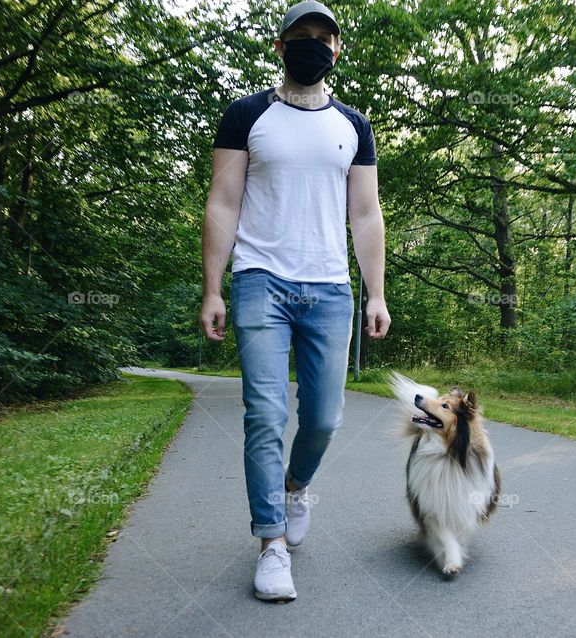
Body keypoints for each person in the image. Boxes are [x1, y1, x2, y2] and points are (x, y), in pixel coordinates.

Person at [198, 0, 390, 602]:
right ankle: (272, 544)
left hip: (331, 289)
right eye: (300, 35)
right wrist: (213, 286)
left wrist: (376, 292)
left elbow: (365, 213)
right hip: (261, 281)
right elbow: (223, 202)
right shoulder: (245, 114)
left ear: (337, 50)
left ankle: (296, 486)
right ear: (280, 47)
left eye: (323, 37)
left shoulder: (353, 126)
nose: (312, 44)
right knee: (265, 415)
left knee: (326, 416)